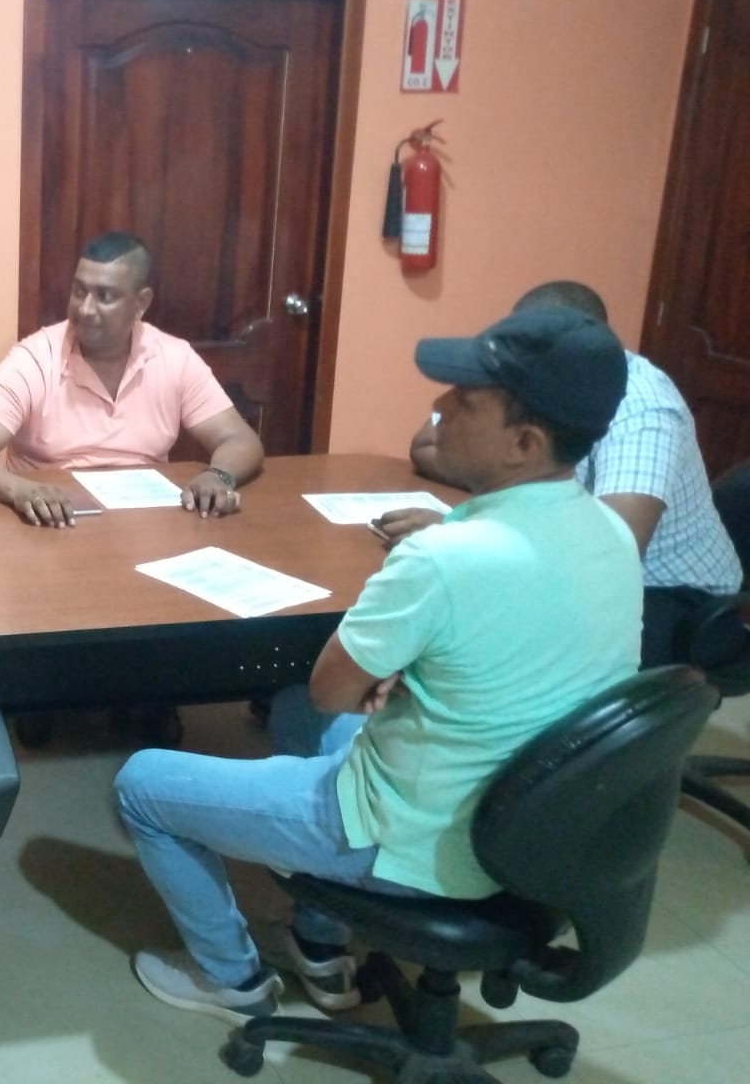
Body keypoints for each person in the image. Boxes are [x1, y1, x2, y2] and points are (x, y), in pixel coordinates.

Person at [116, 306, 640, 1025]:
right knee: (292, 709)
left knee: (142, 785)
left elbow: (335, 690)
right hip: (529, 837)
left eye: (466, 400)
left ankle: (231, 980)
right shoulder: (611, 532)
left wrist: (389, 671)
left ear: (523, 443)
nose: (441, 407)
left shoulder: (442, 557)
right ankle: (320, 944)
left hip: (414, 841)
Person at [394, 280, 742, 667]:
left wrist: (465, 533)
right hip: (569, 562)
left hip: (671, 594)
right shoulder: (528, 380)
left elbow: (612, 553)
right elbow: (426, 447)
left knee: (475, 643)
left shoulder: (644, 407)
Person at [0, 231, 263, 527]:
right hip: (52, 524)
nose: (85, 309)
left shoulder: (174, 357)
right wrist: (20, 489)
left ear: (141, 303)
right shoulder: (35, 358)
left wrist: (219, 476)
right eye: (79, 291)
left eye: (105, 296)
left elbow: (240, 439)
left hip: (147, 526)